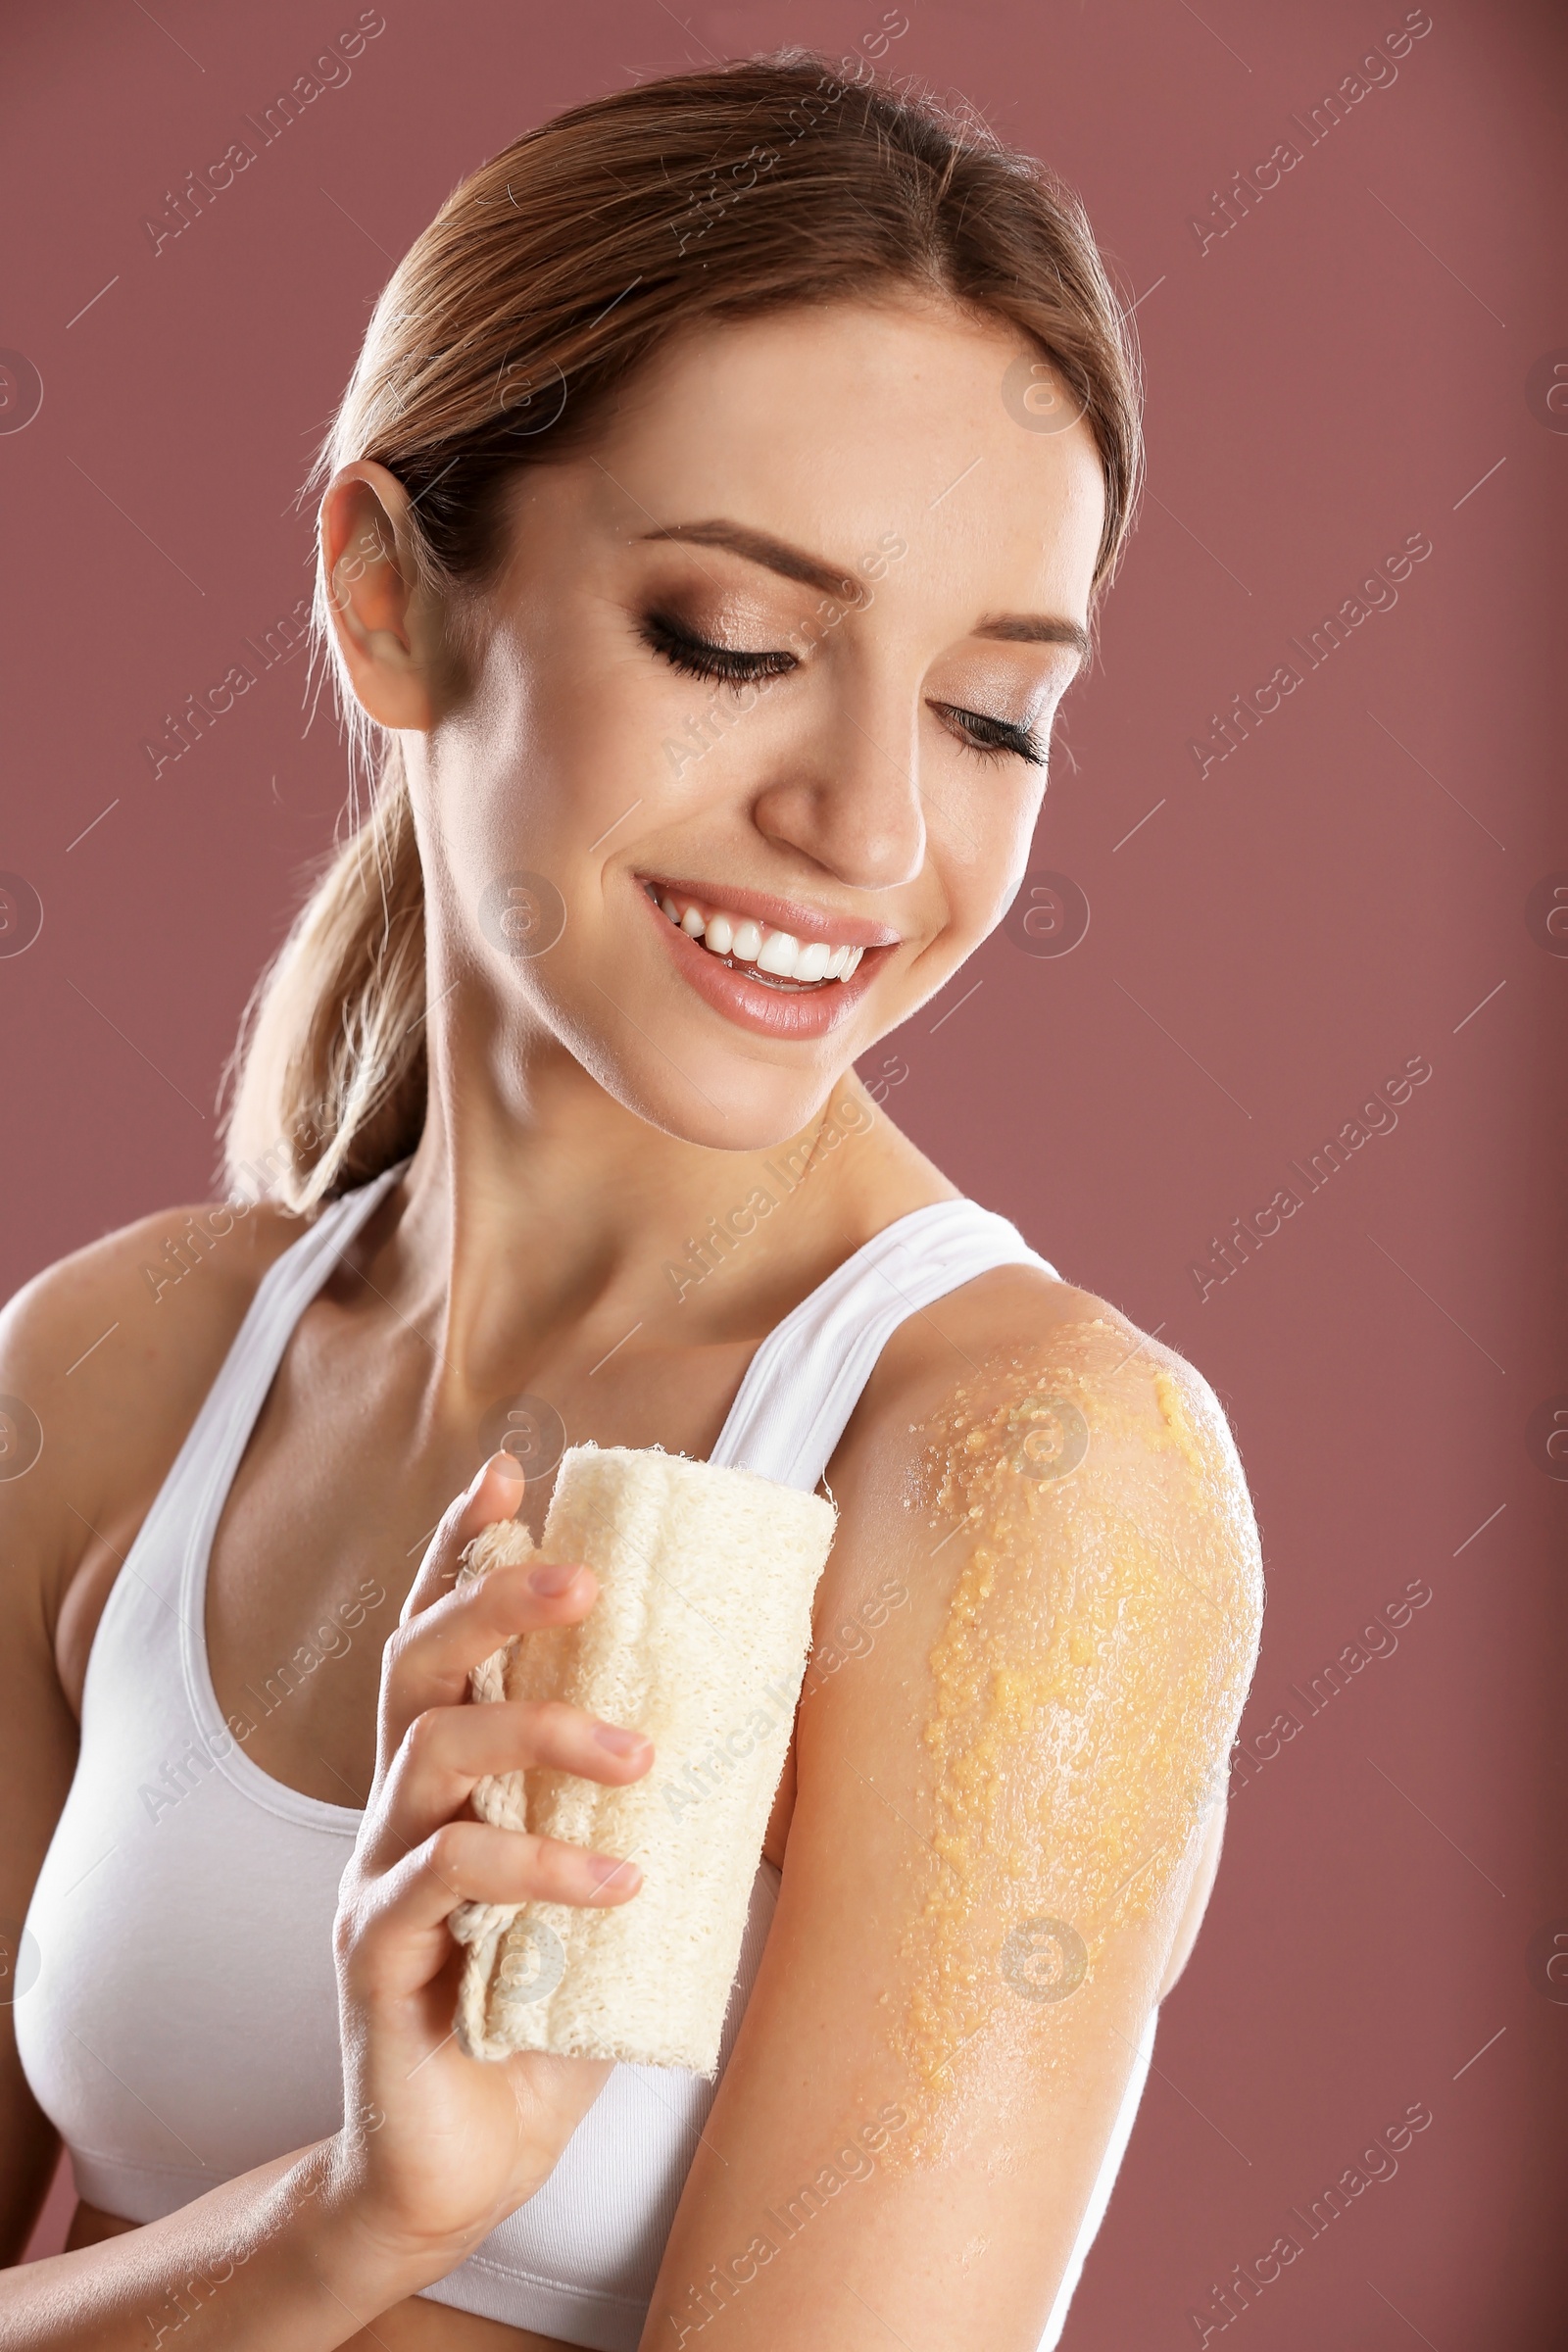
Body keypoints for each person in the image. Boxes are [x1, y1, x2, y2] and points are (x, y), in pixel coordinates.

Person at [0, 53, 1262, 2352]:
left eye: (992, 712)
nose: (872, 831)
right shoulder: (108, 1378)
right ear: (391, 599)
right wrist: (345, 2224)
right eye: (734, 645)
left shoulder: (1023, 1471)